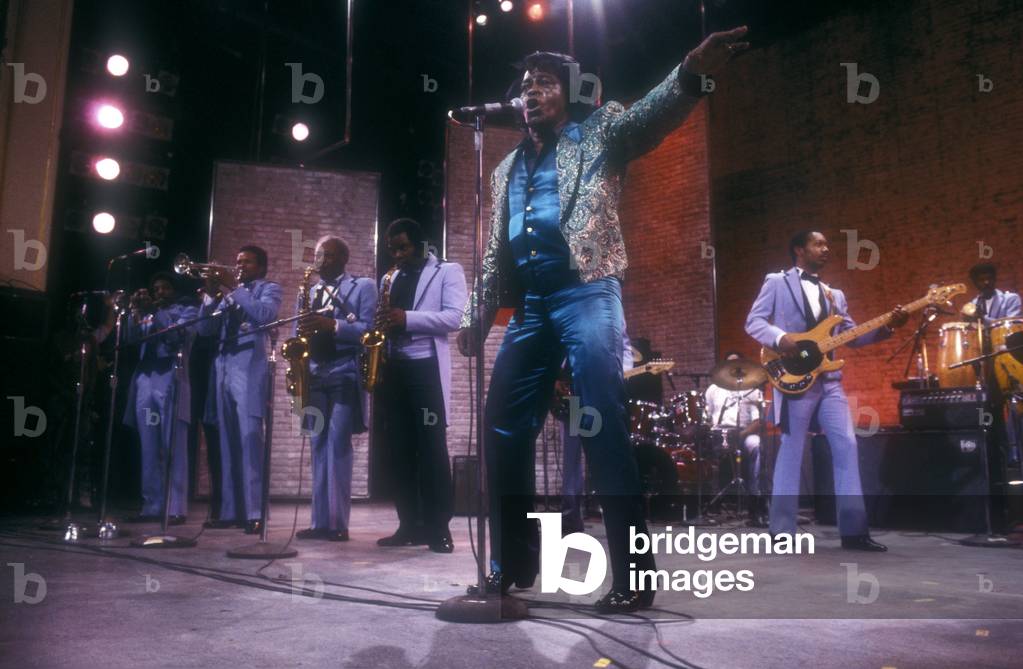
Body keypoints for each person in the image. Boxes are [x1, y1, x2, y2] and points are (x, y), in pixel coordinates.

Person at [457, 27, 751, 613]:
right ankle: (510, 565)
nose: (530, 92)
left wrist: (692, 72)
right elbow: (495, 250)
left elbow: (652, 115)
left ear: (566, 94)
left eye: (543, 83)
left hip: (588, 291)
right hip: (533, 306)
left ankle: (634, 578)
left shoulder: (597, 134)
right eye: (524, 85)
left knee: (600, 423)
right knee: (501, 424)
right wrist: (477, 313)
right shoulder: (505, 168)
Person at [744, 231, 907, 551]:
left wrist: (888, 326)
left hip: (830, 383)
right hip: (794, 381)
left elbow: (851, 335)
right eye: (818, 244)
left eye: (826, 245)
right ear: (799, 250)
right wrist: (780, 339)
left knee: (847, 446)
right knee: (791, 452)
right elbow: (754, 322)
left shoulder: (836, 295)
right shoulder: (777, 282)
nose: (826, 249)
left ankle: (855, 530)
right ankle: (781, 533)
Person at [375, 219, 467, 553]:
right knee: (398, 451)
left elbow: (455, 318)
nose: (397, 255)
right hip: (394, 368)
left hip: (425, 368)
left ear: (421, 244)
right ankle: (408, 525)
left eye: (403, 247)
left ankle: (438, 529)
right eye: (392, 249)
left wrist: (407, 318)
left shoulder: (448, 270)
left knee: (431, 449)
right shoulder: (392, 277)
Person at [294, 236, 377, 542]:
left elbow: (369, 330)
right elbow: (296, 334)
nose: (320, 262)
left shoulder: (363, 286)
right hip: (314, 373)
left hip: (344, 370)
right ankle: (318, 523)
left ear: (344, 257)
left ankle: (338, 523)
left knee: (338, 444)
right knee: (317, 446)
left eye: (327, 256)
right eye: (317, 257)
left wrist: (333, 326)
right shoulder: (309, 291)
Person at [196, 246, 282, 534]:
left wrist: (234, 288)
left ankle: (256, 512)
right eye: (237, 261)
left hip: (249, 367)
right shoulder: (227, 295)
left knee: (248, 440)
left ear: (261, 266)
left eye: (246, 262)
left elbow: (265, 315)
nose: (239, 266)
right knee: (227, 440)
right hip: (223, 368)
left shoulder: (268, 288)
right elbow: (206, 331)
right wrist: (210, 295)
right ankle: (232, 511)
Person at [122, 272, 198, 524]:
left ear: (175, 291)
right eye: (156, 289)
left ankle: (176, 508)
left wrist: (157, 313)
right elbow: (130, 340)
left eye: (165, 288)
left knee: (173, 443)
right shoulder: (147, 313)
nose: (159, 293)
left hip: (171, 376)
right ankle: (151, 506)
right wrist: (134, 312)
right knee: (150, 445)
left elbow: (177, 336)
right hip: (146, 377)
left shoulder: (187, 310)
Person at [703, 351, 766, 527]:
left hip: (744, 433)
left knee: (756, 445)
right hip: (719, 433)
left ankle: (756, 501)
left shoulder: (752, 388)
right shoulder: (713, 390)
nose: (734, 368)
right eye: (730, 365)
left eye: (737, 364)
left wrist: (742, 434)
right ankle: (711, 504)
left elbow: (758, 421)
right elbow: (707, 417)